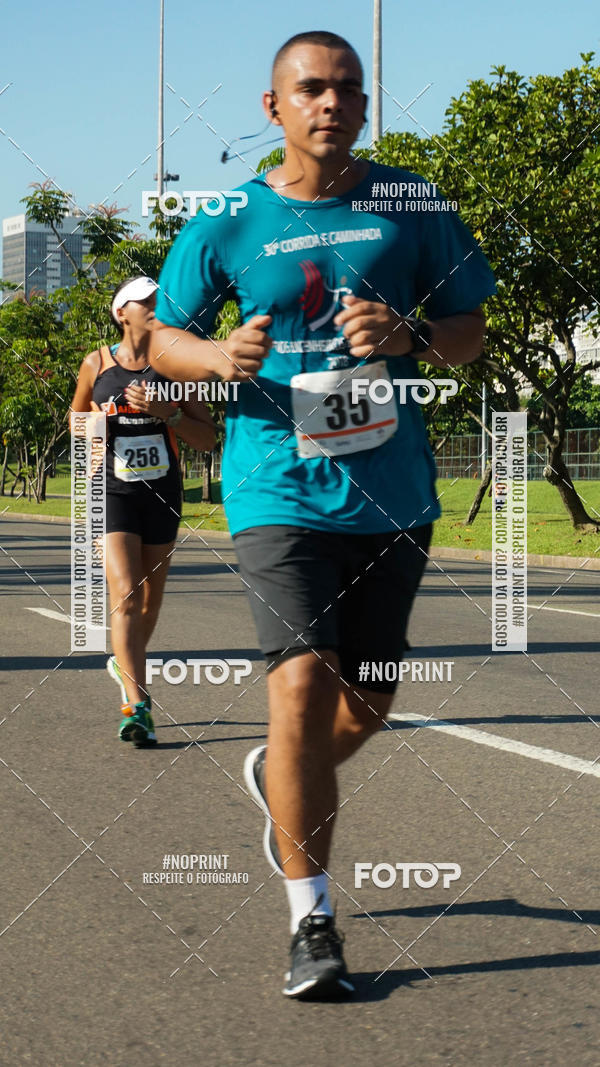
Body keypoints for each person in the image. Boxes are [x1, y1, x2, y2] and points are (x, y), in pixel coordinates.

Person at [149, 30, 496, 997]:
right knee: (301, 690)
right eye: (310, 89)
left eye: (347, 88)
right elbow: (158, 334)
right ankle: (314, 921)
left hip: (393, 496)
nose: (331, 103)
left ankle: (283, 770)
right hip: (276, 491)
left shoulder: (412, 203)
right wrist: (216, 358)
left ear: (364, 102)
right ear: (274, 108)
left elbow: (469, 333)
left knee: (369, 700)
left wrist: (412, 332)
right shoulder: (228, 217)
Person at [71, 275, 215, 747]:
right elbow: (76, 423)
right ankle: (137, 704)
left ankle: (124, 660)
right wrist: (100, 425)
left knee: (150, 601)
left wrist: (166, 414)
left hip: (162, 492)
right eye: (144, 302)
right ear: (121, 313)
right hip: (111, 491)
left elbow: (208, 437)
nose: (155, 307)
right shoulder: (96, 364)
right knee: (127, 596)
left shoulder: (177, 368)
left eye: (159, 301)